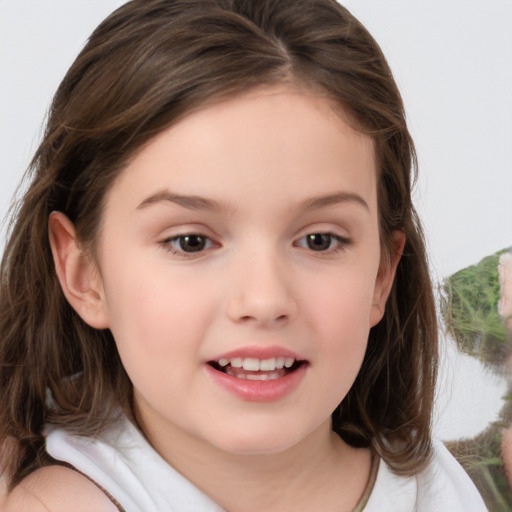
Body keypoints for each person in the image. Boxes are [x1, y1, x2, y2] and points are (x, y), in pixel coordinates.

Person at [0, 0, 487, 510]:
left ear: (382, 276)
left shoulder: (437, 490)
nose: (264, 298)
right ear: (84, 273)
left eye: (319, 240)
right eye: (190, 241)